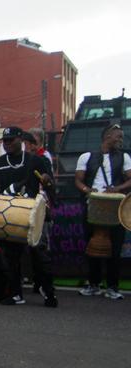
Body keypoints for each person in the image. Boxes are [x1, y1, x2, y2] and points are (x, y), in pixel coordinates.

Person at [0, 127, 56, 307]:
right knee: (10, 257)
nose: (6, 144)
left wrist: (47, 180)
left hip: (31, 215)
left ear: (20, 140)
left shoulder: (35, 160)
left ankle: (49, 292)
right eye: (4, 141)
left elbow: (50, 182)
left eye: (10, 140)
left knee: (40, 255)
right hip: (9, 216)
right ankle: (16, 294)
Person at [75, 122, 130, 300]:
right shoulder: (87, 157)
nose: (120, 140)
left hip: (115, 208)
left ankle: (113, 286)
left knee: (115, 247)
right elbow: (78, 181)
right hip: (93, 206)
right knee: (92, 246)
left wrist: (117, 189)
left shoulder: (124, 157)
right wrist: (87, 190)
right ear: (108, 137)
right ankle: (93, 284)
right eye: (118, 136)